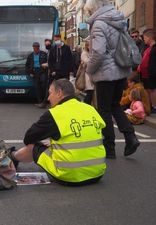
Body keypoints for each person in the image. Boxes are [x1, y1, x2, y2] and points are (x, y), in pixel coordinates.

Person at [11, 79, 106, 186]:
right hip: (97, 173)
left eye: (50, 93)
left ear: (59, 93)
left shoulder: (55, 114)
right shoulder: (90, 109)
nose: (48, 98)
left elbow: (28, 138)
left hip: (69, 175)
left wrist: (49, 141)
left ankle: (12, 157)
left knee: (34, 146)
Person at [84, 0, 140, 159]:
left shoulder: (99, 24)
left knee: (104, 110)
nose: (89, 14)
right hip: (121, 71)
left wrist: (89, 70)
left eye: (89, 11)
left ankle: (109, 148)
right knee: (115, 105)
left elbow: (99, 53)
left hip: (106, 74)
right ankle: (131, 137)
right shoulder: (118, 20)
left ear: (94, 9)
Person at [138, 29, 156, 114]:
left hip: (151, 73)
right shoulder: (147, 48)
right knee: (148, 90)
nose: (143, 39)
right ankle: (150, 105)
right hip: (145, 74)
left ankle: (154, 106)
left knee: (152, 90)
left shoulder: (154, 48)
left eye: (144, 37)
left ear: (149, 38)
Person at [25, 42, 48, 108]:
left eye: (37, 47)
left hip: (43, 71)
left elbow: (48, 62)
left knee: (44, 85)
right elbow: (27, 65)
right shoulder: (30, 55)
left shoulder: (44, 54)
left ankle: (44, 100)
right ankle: (40, 102)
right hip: (34, 72)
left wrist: (46, 65)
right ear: (33, 48)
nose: (35, 48)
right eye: (34, 47)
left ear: (39, 47)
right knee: (37, 87)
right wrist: (30, 73)